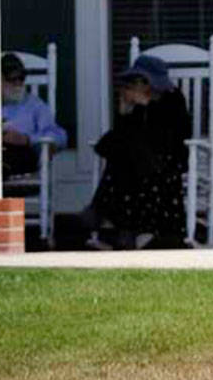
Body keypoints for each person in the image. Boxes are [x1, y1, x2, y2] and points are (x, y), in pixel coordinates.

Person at [76, 54, 192, 250]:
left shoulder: (174, 99)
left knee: (127, 156)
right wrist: (125, 112)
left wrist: (147, 106)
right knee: (126, 153)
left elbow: (168, 137)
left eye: (139, 81)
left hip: (168, 160)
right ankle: (127, 231)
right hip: (140, 163)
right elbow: (120, 137)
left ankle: (104, 212)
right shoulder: (137, 105)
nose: (135, 86)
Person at [0, 52, 67, 181]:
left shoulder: (34, 105)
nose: (18, 84)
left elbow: (59, 136)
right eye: (11, 79)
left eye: (21, 78)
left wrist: (26, 139)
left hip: (21, 154)